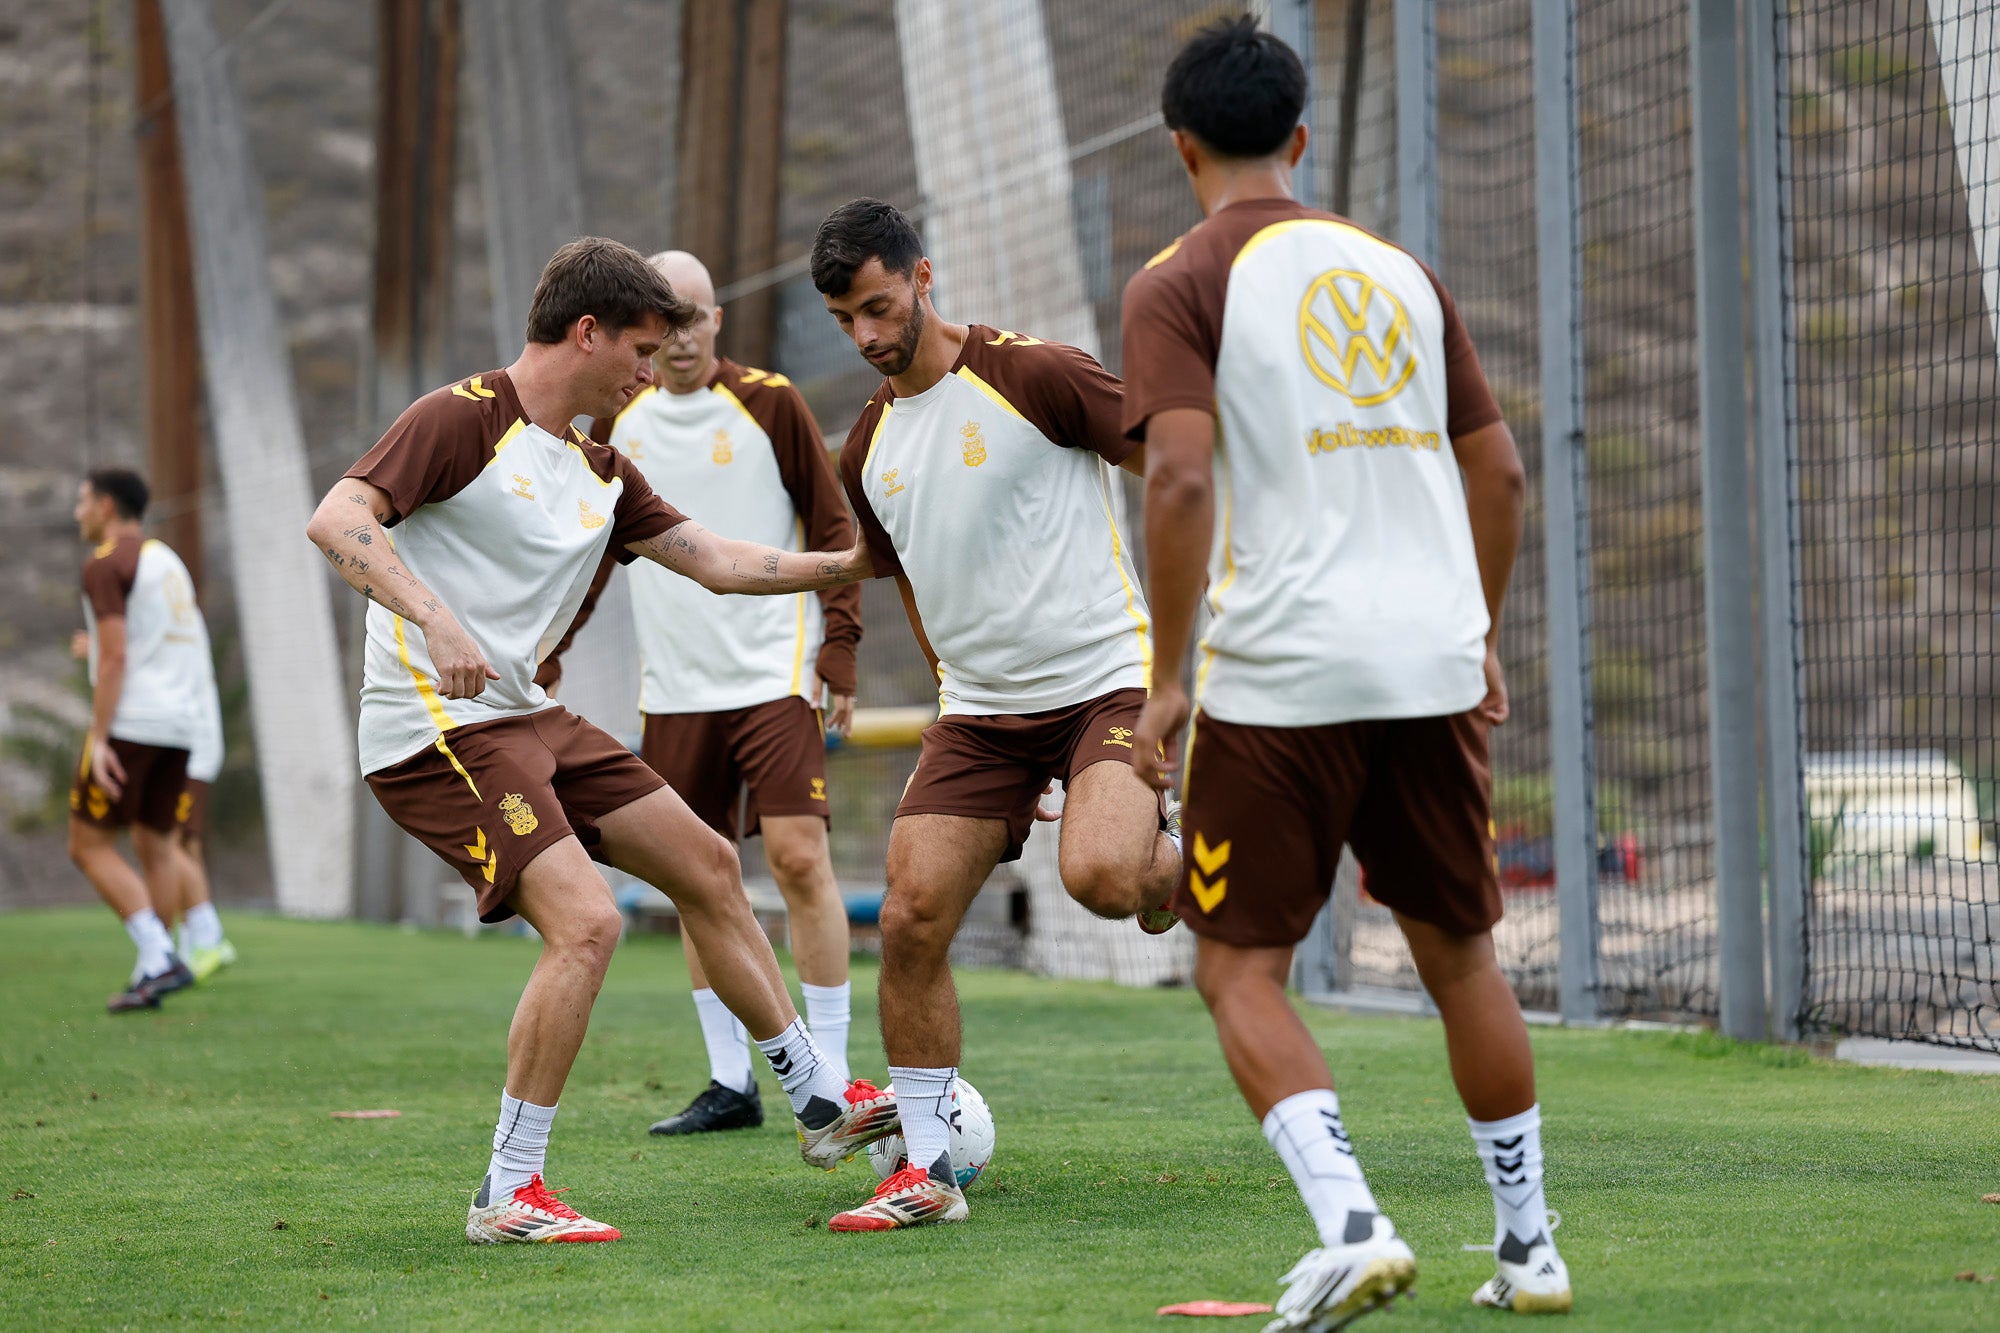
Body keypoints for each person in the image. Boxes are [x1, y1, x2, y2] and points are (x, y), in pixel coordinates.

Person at [305, 237, 896, 1246]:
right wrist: (434, 617)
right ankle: (508, 1189)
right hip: (435, 729)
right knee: (587, 922)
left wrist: (858, 560)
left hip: (527, 718)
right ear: (587, 333)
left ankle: (815, 1104)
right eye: (641, 346)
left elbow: (717, 559)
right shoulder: (461, 418)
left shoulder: (600, 468)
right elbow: (338, 516)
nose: (652, 367)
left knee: (706, 863)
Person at [1122, 18, 1570, 1326]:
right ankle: (1530, 1248)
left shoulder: (1180, 279)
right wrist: (1476, 629)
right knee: (1461, 959)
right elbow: (1501, 473)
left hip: (1285, 674)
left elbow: (1182, 473)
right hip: (1428, 662)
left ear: (1181, 148)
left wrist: (1164, 676)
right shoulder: (1400, 270)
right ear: (1301, 139)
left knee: (1237, 970)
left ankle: (1355, 1224)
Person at [808, 199, 1183, 1232]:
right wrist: (949, 691)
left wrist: (1190, 652)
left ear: (923, 277)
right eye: (846, 321)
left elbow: (1177, 470)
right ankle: (923, 1170)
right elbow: (914, 587)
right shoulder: (866, 448)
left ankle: (1181, 856)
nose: (869, 337)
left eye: (880, 307)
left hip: (1106, 678)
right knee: (911, 912)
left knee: (1105, 878)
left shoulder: (1038, 375)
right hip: (977, 717)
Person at [541, 249, 864, 1137]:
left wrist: (839, 653)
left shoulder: (771, 402)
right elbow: (595, 548)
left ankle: (832, 1069)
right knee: (695, 873)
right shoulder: (621, 420)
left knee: (799, 859)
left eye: (695, 316)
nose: (681, 337)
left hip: (774, 675)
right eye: (666, 321)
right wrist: (553, 646)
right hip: (675, 687)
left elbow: (835, 527)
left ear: (720, 318)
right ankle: (732, 1080)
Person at [67, 468, 204, 1013]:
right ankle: (155, 971)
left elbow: (119, 655)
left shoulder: (105, 562)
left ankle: (158, 953)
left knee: (87, 844)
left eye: (82, 501)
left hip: (133, 723)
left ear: (104, 506)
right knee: (155, 844)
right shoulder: (166, 559)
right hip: (179, 722)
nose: (77, 512)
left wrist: (99, 736)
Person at [169, 607, 236, 981]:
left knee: (168, 841)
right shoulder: (178, 611)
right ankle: (194, 942)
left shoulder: (164, 610)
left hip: (187, 746)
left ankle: (209, 939)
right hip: (191, 742)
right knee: (184, 843)